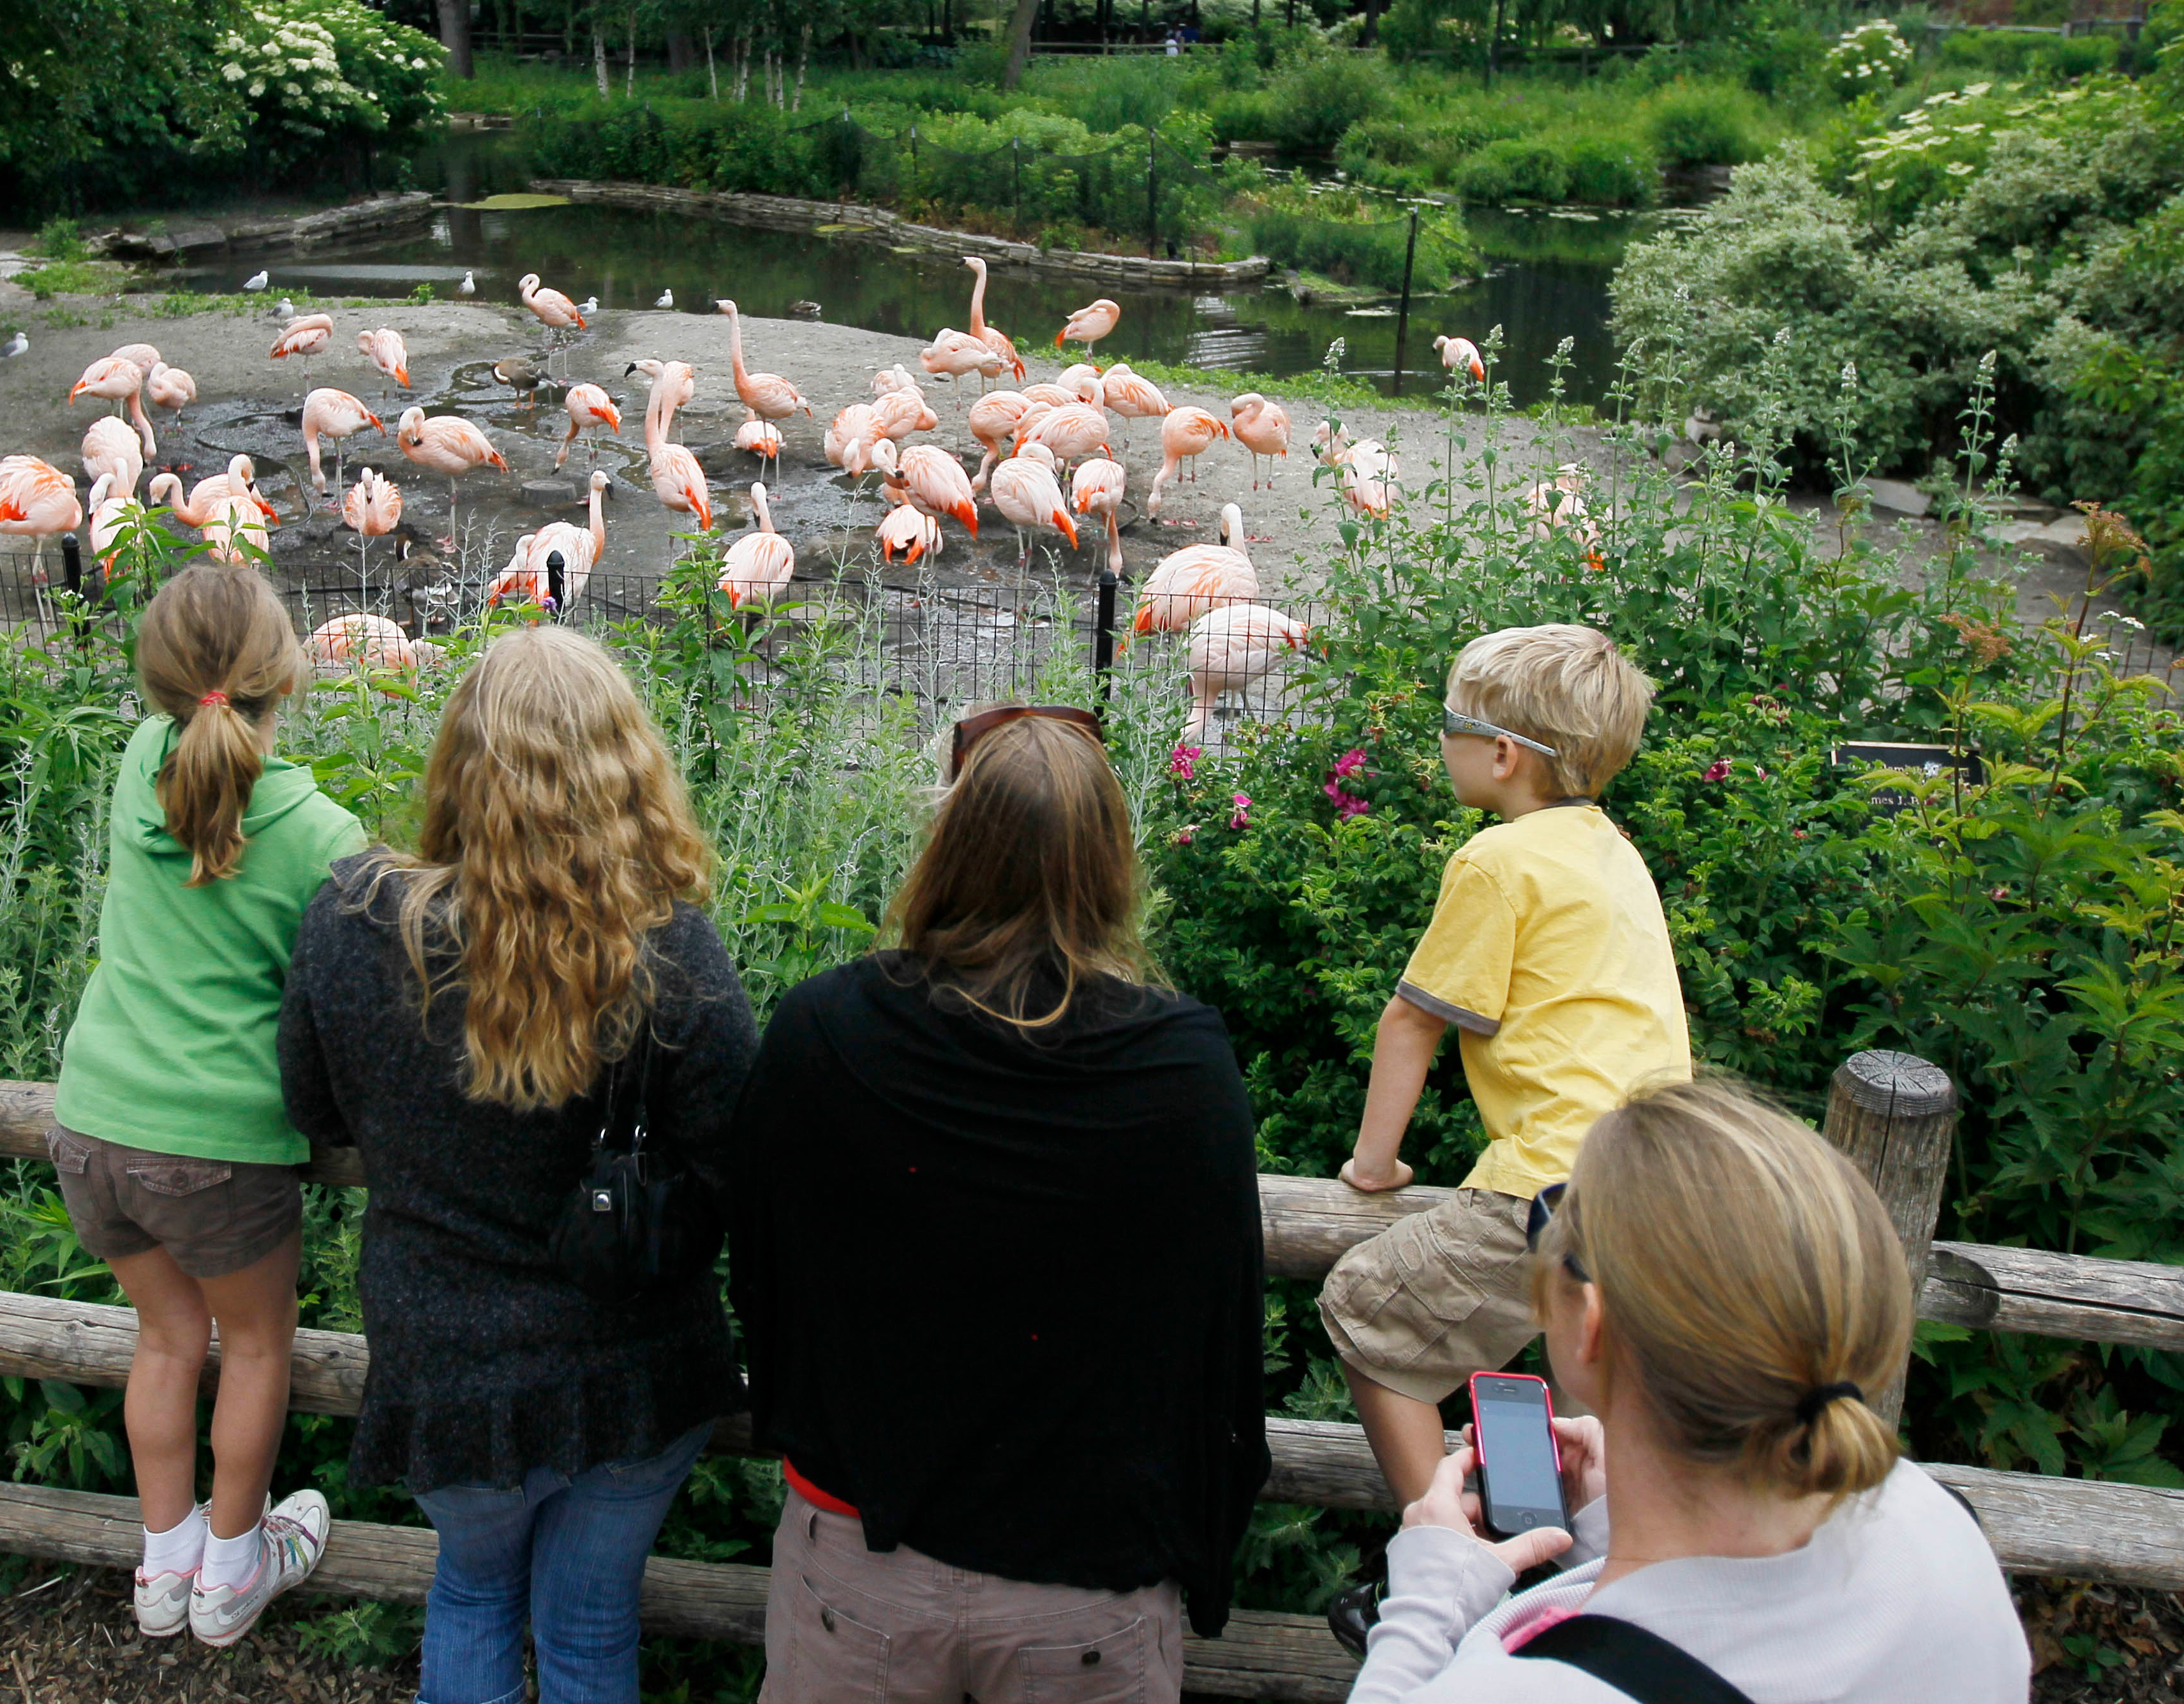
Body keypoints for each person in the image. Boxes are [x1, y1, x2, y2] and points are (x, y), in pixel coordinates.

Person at [729, 704, 1268, 1704]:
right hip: (1087, 1582)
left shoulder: (821, 1032)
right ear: (1110, 859)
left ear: (947, 843)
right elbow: (1220, 1316)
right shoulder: (1182, 1068)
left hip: (860, 1551)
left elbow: (759, 1261)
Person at [278, 624, 755, 1704]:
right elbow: (741, 1161)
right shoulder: (668, 952)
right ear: (626, 767)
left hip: (444, 1362)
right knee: (589, 1626)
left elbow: (311, 1107)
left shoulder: (354, 921)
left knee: (473, 1594)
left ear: (456, 760)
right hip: (633, 1367)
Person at [1346, 1080, 2030, 1702]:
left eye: (1556, 1215)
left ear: (1591, 1322)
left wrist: (1427, 1609)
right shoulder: (1937, 1521)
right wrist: (1620, 1521)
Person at [1319, 624, 1689, 1648]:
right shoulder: (1612, 851)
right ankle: (1584, 1587)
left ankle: (1448, 1566)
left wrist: (1372, 1164)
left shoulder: (1495, 861)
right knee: (1583, 1399)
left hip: (1551, 1182)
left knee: (1366, 1316)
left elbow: (1413, 1018)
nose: (1436, 740)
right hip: (1651, 1176)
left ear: (1500, 755)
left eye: (1448, 723)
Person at [49, 561, 364, 1647]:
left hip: (91, 1128)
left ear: (160, 685)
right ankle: (235, 1569)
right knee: (258, 1346)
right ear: (289, 677)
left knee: (167, 1338)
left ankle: (162, 1563)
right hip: (217, 1148)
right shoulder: (325, 834)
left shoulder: (142, 761)